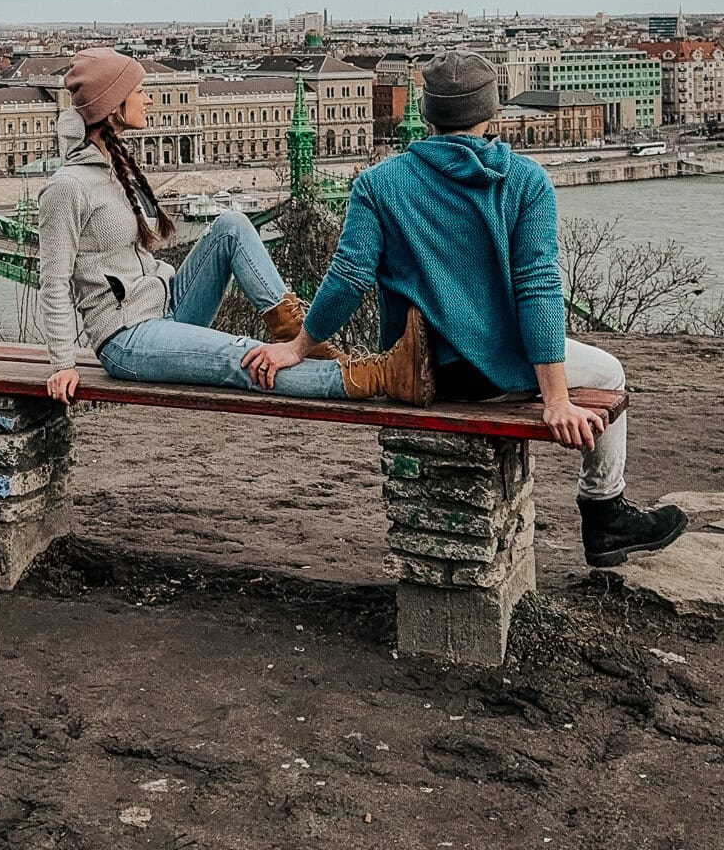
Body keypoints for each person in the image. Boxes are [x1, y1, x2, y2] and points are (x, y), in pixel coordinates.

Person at [242, 49, 688, 570]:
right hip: (494, 373)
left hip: (420, 370)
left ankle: (606, 515)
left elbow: (348, 278)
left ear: (427, 113)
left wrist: (299, 345)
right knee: (610, 372)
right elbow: (538, 289)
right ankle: (604, 513)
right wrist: (557, 399)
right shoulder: (524, 181)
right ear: (492, 112)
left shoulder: (378, 184)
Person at [38, 47, 434, 410]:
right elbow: (53, 282)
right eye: (140, 91)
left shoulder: (114, 166)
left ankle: (300, 336)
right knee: (244, 356)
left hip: (168, 305)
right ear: (112, 106)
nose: (150, 99)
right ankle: (381, 375)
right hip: (128, 338)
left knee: (231, 225)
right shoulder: (67, 187)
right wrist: (62, 363)